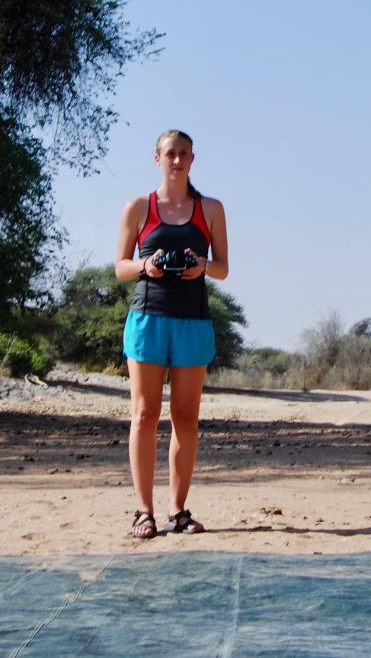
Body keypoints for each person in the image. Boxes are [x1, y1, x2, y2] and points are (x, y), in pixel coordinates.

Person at [115, 129, 229, 539]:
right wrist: (146, 267)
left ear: (193, 159)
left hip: (193, 322)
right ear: (157, 158)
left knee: (186, 417)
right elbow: (120, 266)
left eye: (183, 154)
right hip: (149, 319)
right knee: (144, 415)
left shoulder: (211, 208)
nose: (176, 160)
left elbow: (223, 268)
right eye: (170, 154)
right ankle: (143, 512)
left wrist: (201, 265)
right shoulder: (138, 207)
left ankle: (177, 511)